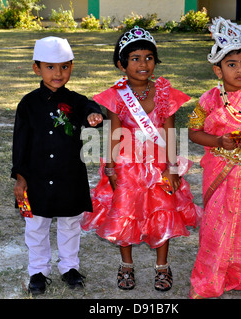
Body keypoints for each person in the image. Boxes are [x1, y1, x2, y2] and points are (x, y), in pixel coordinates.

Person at [81, 26, 203, 292]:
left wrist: (172, 168)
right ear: (121, 65)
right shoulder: (117, 95)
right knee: (125, 212)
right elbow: (115, 132)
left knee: (163, 211)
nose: (143, 64)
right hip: (126, 165)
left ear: (155, 62)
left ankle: (162, 266)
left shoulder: (164, 92)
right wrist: (110, 167)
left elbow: (170, 133)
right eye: (135, 58)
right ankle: (126, 264)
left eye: (149, 57)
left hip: (159, 164)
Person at [188, 17, 241, 298]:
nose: (240, 70)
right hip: (220, 172)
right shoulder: (207, 100)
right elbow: (193, 132)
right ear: (218, 69)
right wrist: (217, 141)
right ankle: (208, 282)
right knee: (219, 226)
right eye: (232, 64)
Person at [11, 36, 103, 295]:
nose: (58, 73)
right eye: (50, 67)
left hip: (69, 177)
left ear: (71, 67)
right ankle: (38, 271)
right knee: (36, 225)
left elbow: (91, 107)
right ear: (36, 68)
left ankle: (69, 267)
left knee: (70, 224)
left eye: (64, 66)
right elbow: (20, 143)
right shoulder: (28, 104)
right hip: (36, 178)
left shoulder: (76, 101)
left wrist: (94, 115)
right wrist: (20, 177)